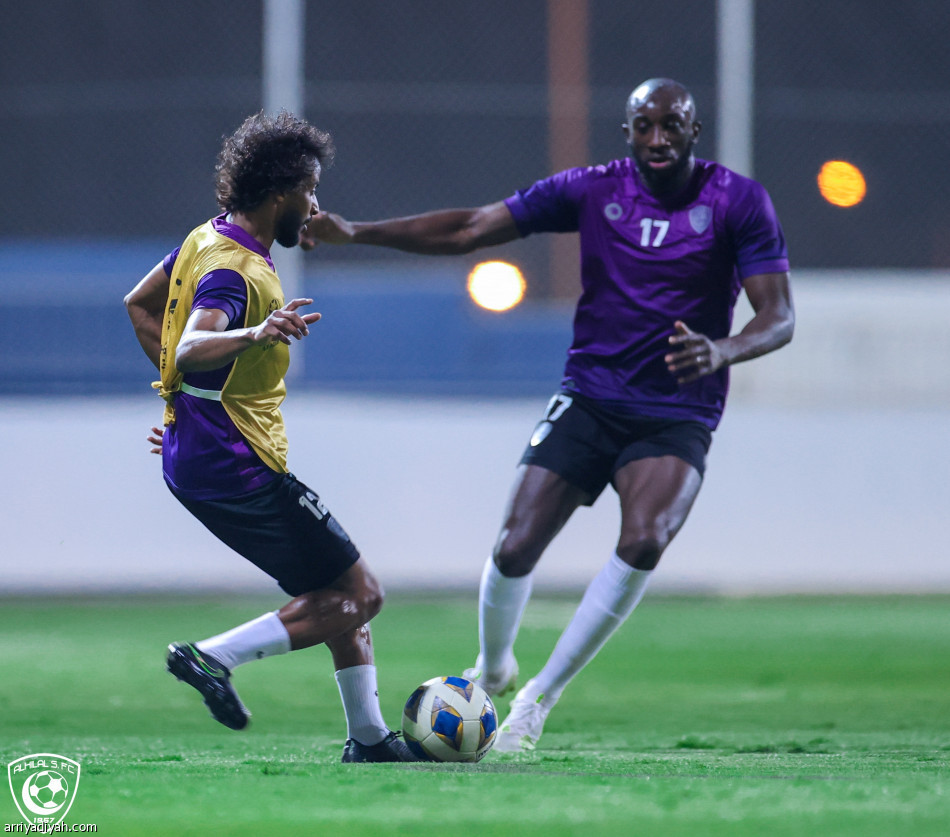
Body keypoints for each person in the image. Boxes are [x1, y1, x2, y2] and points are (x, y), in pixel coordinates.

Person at [302, 78, 795, 753]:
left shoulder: (738, 200)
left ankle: (536, 699)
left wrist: (722, 349)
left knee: (646, 537)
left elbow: (779, 315)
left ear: (693, 132)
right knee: (514, 545)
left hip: (677, 408)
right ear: (626, 131)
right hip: (590, 395)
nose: (657, 138)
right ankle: (493, 665)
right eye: (644, 125)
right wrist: (356, 231)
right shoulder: (593, 189)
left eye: (672, 126)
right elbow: (472, 227)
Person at [124, 110, 415, 763]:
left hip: (203, 453)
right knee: (363, 594)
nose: (315, 206)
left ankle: (368, 739)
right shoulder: (239, 274)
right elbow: (195, 341)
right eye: (311, 191)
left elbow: (139, 305)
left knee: (337, 587)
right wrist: (254, 333)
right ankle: (211, 657)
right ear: (281, 191)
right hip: (238, 466)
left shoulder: (207, 237)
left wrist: (182, 405)